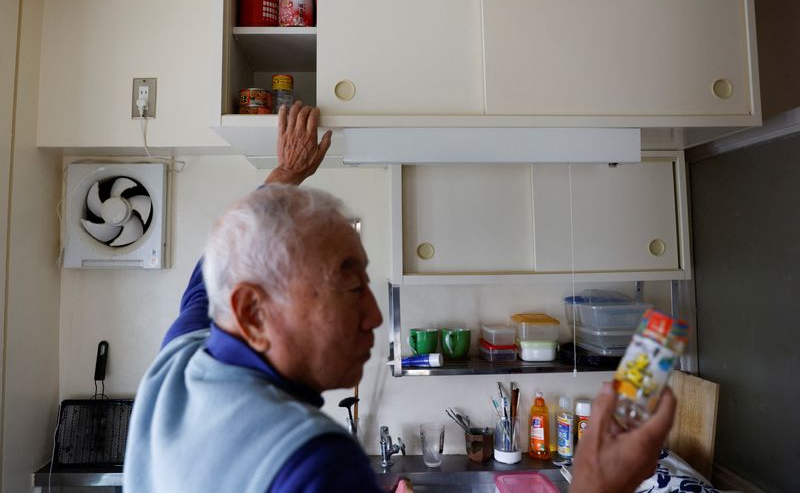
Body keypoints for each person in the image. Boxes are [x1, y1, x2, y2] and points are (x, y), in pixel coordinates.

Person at [123, 101, 676, 493]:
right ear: (252, 312)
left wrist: (287, 174)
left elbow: (215, 269)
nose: (375, 314)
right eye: (348, 283)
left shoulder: (178, 365)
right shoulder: (312, 461)